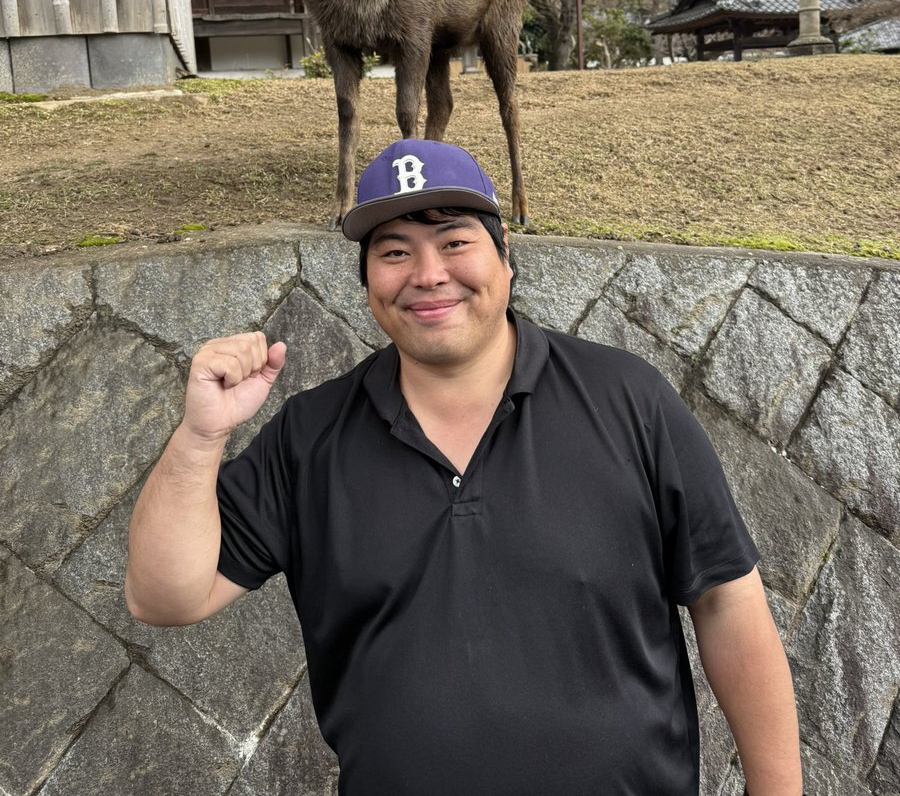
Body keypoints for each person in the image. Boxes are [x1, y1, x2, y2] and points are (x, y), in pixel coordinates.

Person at [126, 139, 803, 796]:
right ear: (367, 280)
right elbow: (165, 598)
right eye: (395, 252)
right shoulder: (309, 437)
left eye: (454, 242)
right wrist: (201, 437)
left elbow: (727, 600)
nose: (427, 274)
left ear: (504, 252)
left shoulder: (628, 401)